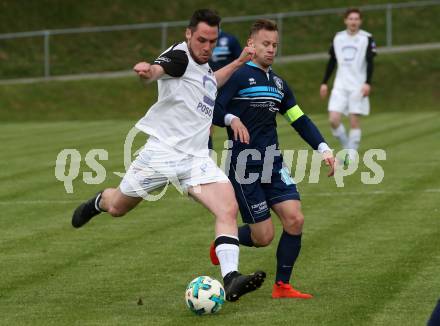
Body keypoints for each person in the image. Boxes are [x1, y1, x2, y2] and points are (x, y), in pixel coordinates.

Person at [70, 9, 266, 302]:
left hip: (196, 160)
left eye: (212, 41)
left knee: (227, 208)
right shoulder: (181, 56)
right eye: (201, 39)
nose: (207, 47)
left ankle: (231, 278)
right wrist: (148, 72)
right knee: (119, 207)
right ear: (188, 35)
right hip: (161, 155)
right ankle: (99, 201)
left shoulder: (202, 66)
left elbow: (210, 81)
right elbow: (160, 70)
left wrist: (238, 62)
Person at [210, 19, 335, 299]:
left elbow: (299, 119)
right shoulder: (238, 76)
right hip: (244, 166)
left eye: (275, 45)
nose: (271, 50)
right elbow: (214, 108)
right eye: (266, 44)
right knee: (263, 237)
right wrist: (231, 118)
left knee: (295, 220)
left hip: (273, 164)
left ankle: (282, 286)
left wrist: (323, 148)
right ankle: (224, 241)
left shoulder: (279, 84)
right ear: (251, 45)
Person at [320, 8, 377, 165]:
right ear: (345, 20)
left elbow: (371, 62)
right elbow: (332, 61)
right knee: (333, 119)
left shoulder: (367, 38)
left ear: (360, 21)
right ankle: (348, 148)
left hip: (358, 86)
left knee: (353, 121)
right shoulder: (338, 38)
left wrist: (367, 83)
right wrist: (324, 82)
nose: (353, 21)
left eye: (356, 19)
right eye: (350, 18)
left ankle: (350, 156)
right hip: (340, 85)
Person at [208, 29, 242, 150]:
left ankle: (237, 151)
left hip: (228, 87)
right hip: (207, 86)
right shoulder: (204, 41)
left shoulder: (230, 40)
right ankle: (207, 153)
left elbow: (241, 61)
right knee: (206, 120)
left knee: (232, 117)